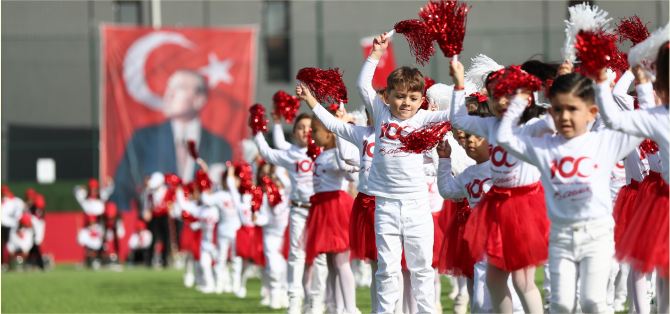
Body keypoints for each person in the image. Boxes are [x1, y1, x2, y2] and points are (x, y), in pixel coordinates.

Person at [496, 68, 646, 312]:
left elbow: (641, 126)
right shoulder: (544, 147)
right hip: (561, 237)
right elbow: (504, 137)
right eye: (558, 109)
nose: (564, 116)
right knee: (562, 304)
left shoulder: (603, 142)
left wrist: (606, 89)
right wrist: (519, 101)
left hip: (597, 235)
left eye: (573, 109)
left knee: (591, 302)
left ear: (591, 113)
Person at [357, 32, 455, 314]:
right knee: (387, 270)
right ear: (387, 96)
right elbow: (363, 85)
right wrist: (376, 54)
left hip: (417, 205)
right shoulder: (381, 112)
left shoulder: (424, 118)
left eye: (413, 97)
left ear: (421, 99)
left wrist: (459, 85)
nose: (406, 103)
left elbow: (455, 115)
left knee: (422, 269)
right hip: (385, 205)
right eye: (399, 96)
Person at [450, 62, 551, 314]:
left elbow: (555, 119)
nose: (501, 101)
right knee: (494, 279)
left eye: (508, 94)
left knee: (522, 280)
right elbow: (459, 118)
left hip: (525, 206)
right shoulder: (491, 125)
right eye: (496, 96)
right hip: (496, 207)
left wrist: (556, 83)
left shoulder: (533, 126)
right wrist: (459, 84)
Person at [597, 42, 669, 314]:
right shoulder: (646, 113)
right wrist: (631, 72)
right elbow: (617, 101)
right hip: (651, 196)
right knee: (644, 263)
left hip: (657, 193)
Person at [437, 101, 523, 314]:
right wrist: (445, 160)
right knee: (480, 301)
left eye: (478, 136)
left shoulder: (505, 166)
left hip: (506, 239)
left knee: (513, 293)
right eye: (467, 137)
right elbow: (447, 191)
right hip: (480, 242)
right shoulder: (468, 174)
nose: (471, 141)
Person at [110, 70, 232, 210]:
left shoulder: (219, 146)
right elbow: (121, 191)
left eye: (179, 88)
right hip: (155, 227)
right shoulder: (144, 139)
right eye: (169, 88)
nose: (169, 95)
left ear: (199, 99)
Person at [253, 112, 328, 314]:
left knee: (320, 258)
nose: (306, 131)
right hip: (298, 210)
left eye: (309, 127)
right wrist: (257, 130)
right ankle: (294, 302)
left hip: (320, 211)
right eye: (301, 128)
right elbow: (267, 153)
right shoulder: (290, 153)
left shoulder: (325, 151)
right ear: (294, 134)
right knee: (296, 255)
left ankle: (316, 302)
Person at [293, 88, 358, 314]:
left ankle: (350, 308)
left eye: (317, 131)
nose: (313, 135)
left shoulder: (338, 155)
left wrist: (342, 134)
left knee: (341, 263)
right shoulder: (320, 155)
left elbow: (351, 175)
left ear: (330, 133)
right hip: (321, 209)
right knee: (331, 265)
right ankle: (335, 306)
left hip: (337, 208)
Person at [253, 163, 291, 309]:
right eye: (273, 177)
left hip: (286, 235)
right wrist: (257, 219)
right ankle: (274, 294)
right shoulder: (264, 195)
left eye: (277, 176)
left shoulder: (289, 193)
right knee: (274, 267)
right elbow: (265, 217)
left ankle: (285, 294)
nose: (276, 179)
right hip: (270, 235)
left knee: (286, 267)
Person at [144, 172, 171, 268]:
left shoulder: (167, 191)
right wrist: (147, 211)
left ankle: (164, 260)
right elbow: (147, 204)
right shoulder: (150, 193)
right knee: (153, 237)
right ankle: (149, 260)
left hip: (164, 216)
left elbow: (171, 204)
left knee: (166, 238)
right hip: (155, 217)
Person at [1, 186, 25, 267]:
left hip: (10, 226)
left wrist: (16, 217)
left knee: (10, 245)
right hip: (1, 226)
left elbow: (23, 206)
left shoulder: (14, 201)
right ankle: (3, 263)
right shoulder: (2, 201)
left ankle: (10, 263)